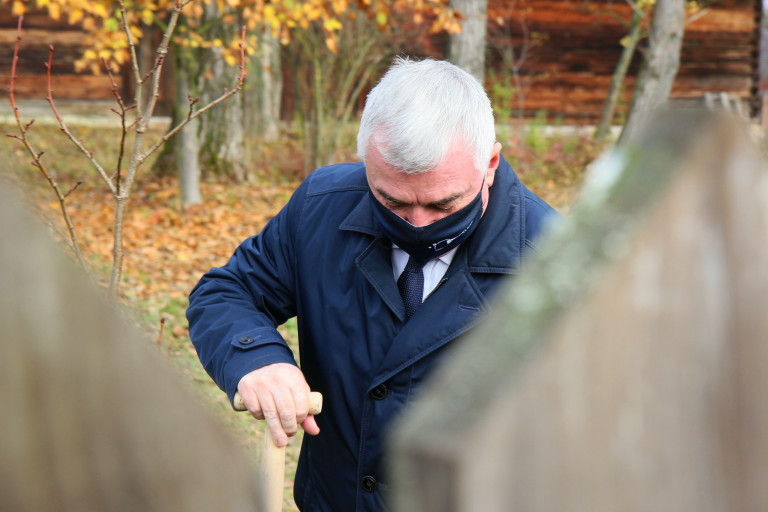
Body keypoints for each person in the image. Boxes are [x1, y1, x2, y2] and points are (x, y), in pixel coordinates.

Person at [187, 56, 558, 511]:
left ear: (491, 163)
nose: (418, 224)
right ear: (367, 164)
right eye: (392, 200)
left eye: (444, 205)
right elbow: (228, 292)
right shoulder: (321, 207)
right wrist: (256, 358)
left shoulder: (554, 261)